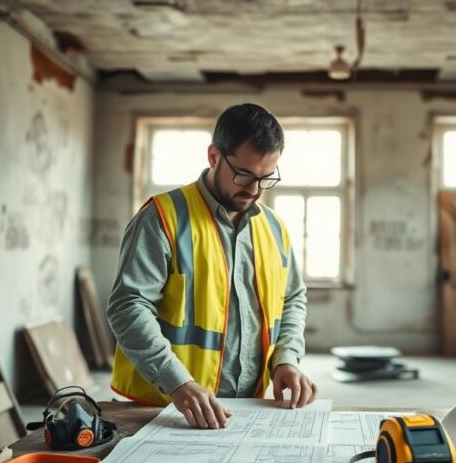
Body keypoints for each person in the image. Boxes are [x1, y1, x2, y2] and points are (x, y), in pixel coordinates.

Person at [107, 103, 318, 429]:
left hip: (248, 409)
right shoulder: (162, 217)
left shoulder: (274, 228)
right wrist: (177, 382)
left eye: (266, 178)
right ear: (214, 156)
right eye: (244, 175)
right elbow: (128, 306)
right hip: (164, 410)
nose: (255, 189)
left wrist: (286, 359)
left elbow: (293, 301)